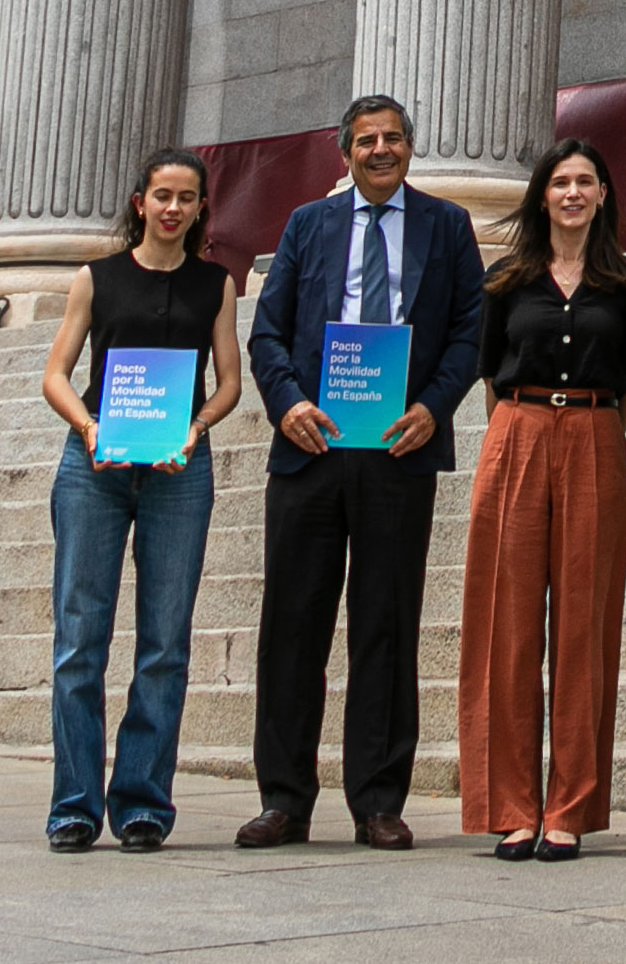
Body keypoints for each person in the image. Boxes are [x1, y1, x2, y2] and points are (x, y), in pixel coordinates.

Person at [239, 93, 486, 850]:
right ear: (343, 152)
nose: (382, 149)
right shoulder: (307, 226)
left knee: (385, 624)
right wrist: (286, 403)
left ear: (411, 147)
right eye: (367, 140)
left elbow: (470, 332)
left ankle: (378, 798)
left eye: (394, 138)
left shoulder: (446, 226)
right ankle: (284, 797)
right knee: (293, 626)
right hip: (312, 447)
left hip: (396, 449)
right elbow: (268, 331)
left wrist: (433, 407)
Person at [35, 145, 245, 852]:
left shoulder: (215, 284)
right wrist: (88, 425)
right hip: (94, 465)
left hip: (178, 468)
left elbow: (228, 381)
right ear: (140, 201)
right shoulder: (96, 279)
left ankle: (143, 801)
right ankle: (73, 803)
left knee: (163, 642)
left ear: (200, 207)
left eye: (187, 197)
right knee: (78, 640)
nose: (173, 208)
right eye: (162, 195)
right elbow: (56, 372)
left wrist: (196, 425)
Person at [460, 136, 626, 859]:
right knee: (505, 627)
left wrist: (593, 436)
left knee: (585, 624)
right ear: (541, 194)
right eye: (560, 181)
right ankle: (512, 804)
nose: (572, 192)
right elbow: (489, 377)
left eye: (586, 181)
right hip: (516, 431)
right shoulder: (505, 280)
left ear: (603, 193)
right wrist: (519, 441)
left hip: (596, 436)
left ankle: (569, 805)